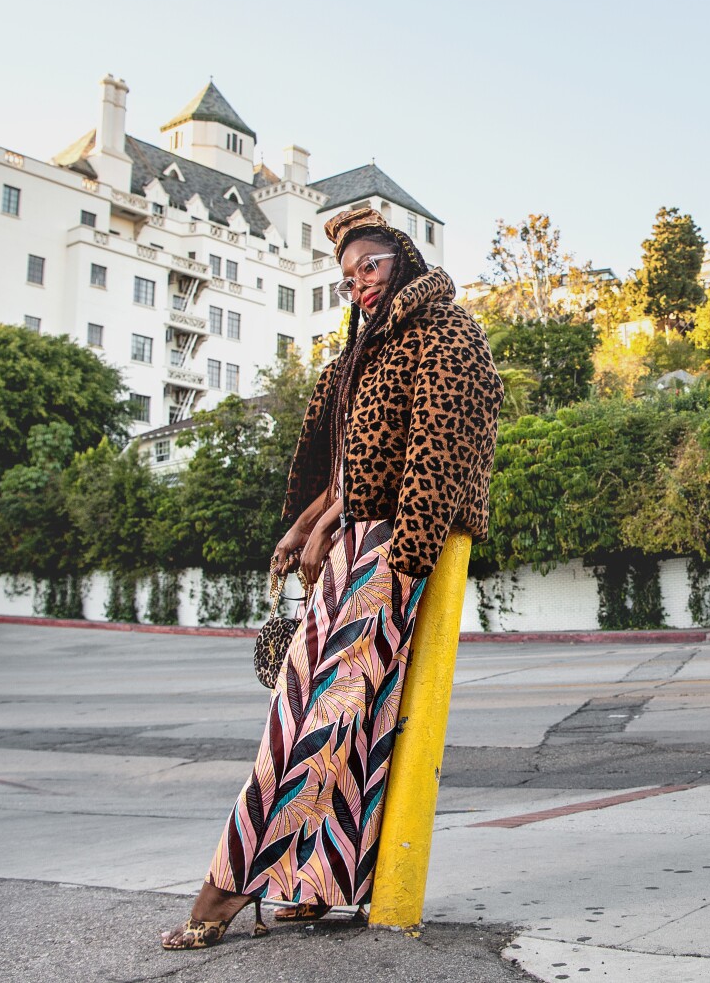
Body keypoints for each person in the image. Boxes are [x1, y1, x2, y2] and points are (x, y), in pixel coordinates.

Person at [161, 207, 503, 949]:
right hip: (352, 550)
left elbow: (437, 455)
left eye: (371, 267)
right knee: (332, 718)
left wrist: (403, 561)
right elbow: (356, 465)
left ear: (403, 259)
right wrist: (307, 526)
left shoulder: (448, 335)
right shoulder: (365, 353)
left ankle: (224, 888)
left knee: (325, 720)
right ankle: (315, 885)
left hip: (392, 553)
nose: (361, 285)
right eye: (349, 278)